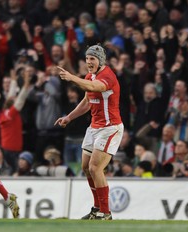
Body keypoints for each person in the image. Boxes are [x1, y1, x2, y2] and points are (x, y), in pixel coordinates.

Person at [54, 44, 123, 220]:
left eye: (92, 58)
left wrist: (71, 77)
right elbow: (87, 101)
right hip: (94, 127)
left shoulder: (108, 76)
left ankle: (105, 212)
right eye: (87, 59)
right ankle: (97, 208)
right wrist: (69, 117)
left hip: (110, 128)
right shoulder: (89, 76)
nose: (88, 62)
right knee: (85, 167)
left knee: (95, 167)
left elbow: (95, 88)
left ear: (100, 60)